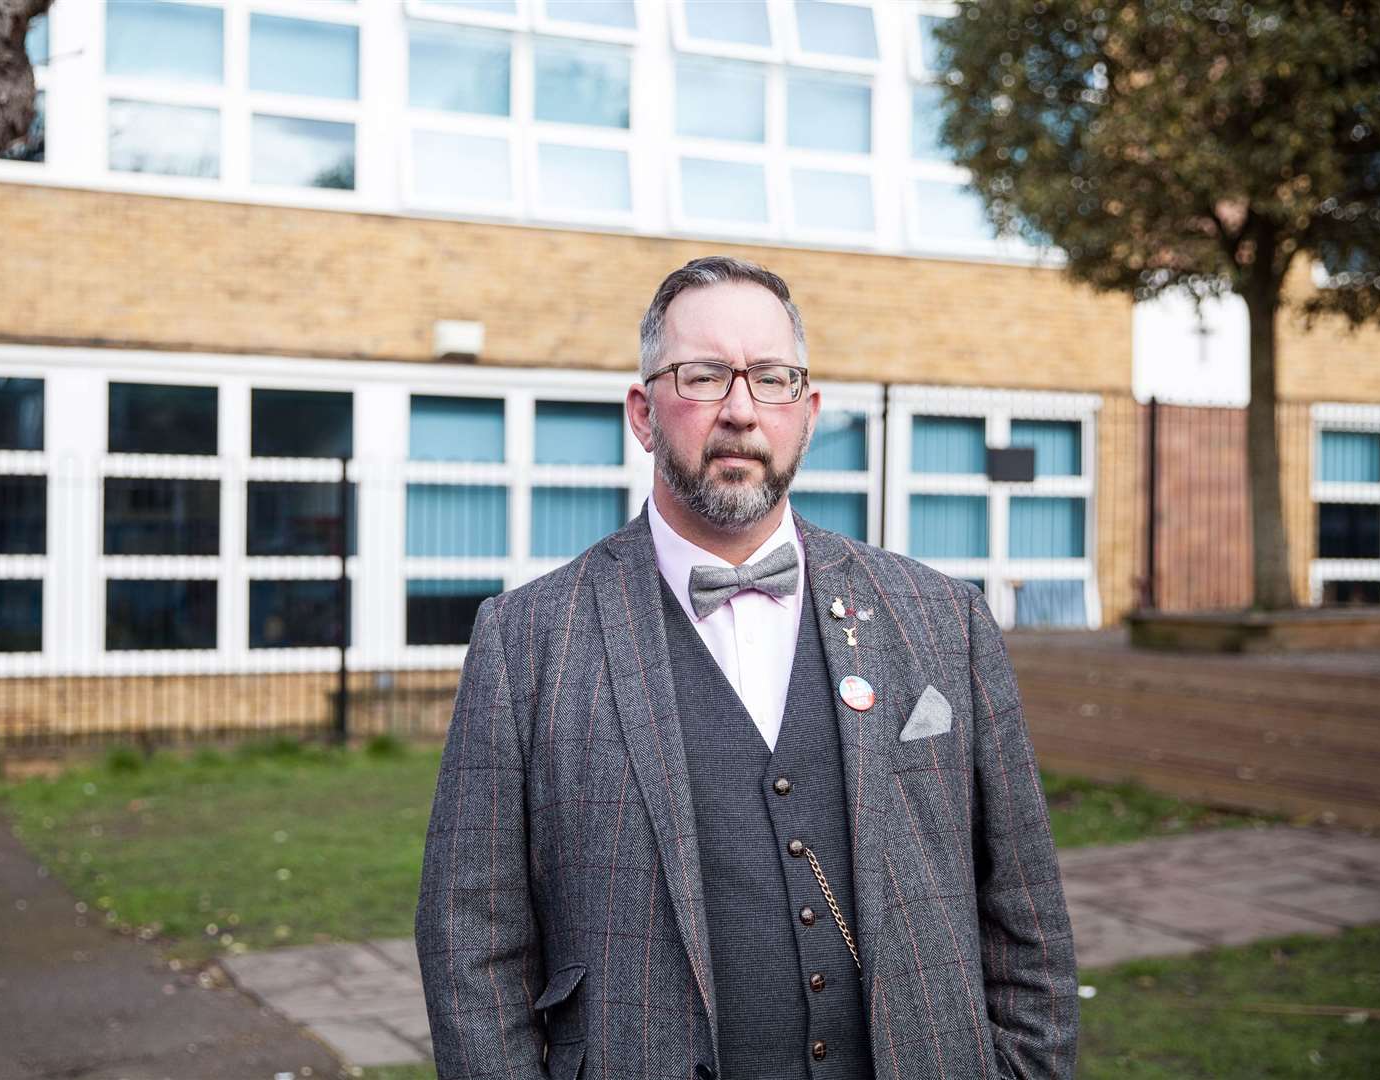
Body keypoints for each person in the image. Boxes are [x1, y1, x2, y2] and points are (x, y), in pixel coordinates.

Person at [415, 256, 1078, 1080]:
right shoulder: (525, 639)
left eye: (769, 378)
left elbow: (1025, 915)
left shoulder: (944, 618)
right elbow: (469, 943)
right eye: (701, 377)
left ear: (806, 412)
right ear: (643, 413)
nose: (738, 411)